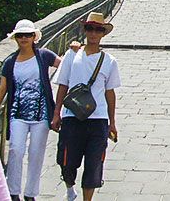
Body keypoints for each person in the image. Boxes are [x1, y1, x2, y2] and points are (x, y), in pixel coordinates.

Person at [0, 19, 63, 201]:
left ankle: (30, 194)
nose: (24, 38)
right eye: (20, 35)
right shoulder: (10, 62)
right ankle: (13, 192)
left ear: (34, 37)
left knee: (36, 154)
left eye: (27, 35)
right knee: (15, 149)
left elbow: (64, 65)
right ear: (15, 38)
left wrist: (78, 52)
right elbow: (2, 89)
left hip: (41, 115)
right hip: (17, 114)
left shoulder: (43, 55)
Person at [52, 12, 121, 201]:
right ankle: (69, 189)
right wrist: (56, 113)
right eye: (89, 28)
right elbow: (62, 85)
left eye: (97, 29)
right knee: (67, 161)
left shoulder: (109, 61)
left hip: (97, 119)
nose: (93, 33)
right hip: (72, 116)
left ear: (103, 34)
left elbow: (110, 93)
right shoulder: (71, 55)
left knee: (93, 165)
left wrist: (112, 122)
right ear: (84, 30)